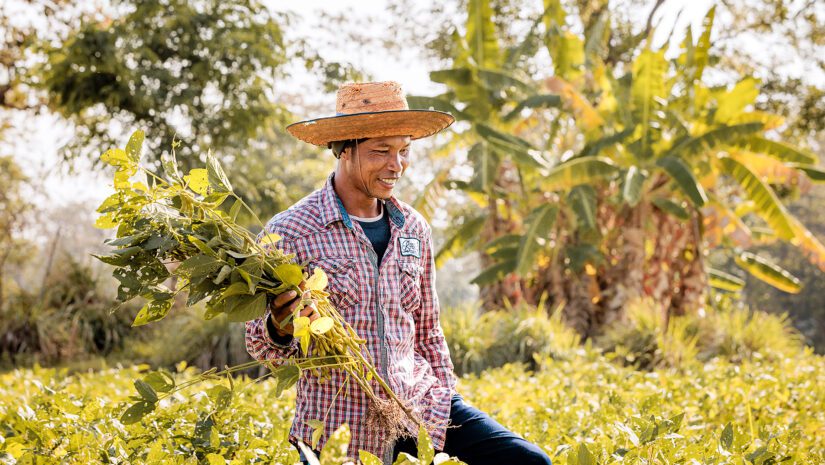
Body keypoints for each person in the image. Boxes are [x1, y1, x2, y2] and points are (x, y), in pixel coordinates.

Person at [245, 81, 551, 465]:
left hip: (418, 408)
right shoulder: (291, 230)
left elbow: (427, 329)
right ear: (344, 150)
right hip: (338, 427)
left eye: (404, 151)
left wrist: (444, 394)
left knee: (530, 461)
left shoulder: (414, 227)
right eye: (381, 152)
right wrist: (280, 325)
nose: (397, 165)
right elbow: (258, 344)